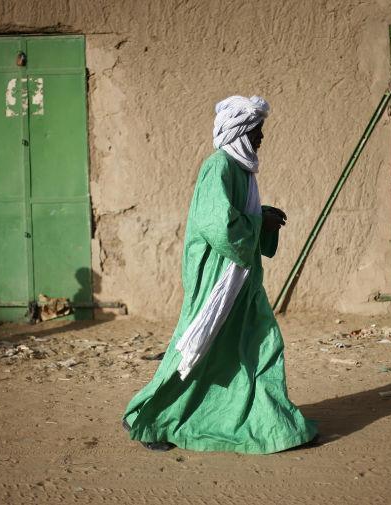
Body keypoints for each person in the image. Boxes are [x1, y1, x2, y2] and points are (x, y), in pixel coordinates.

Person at [122, 95, 317, 454]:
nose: (261, 139)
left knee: (259, 346)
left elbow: (237, 215)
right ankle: (152, 418)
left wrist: (264, 215)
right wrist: (261, 223)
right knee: (197, 347)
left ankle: (272, 425)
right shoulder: (219, 166)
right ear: (241, 131)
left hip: (242, 279)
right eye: (257, 131)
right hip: (217, 280)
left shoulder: (241, 171)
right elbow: (218, 225)